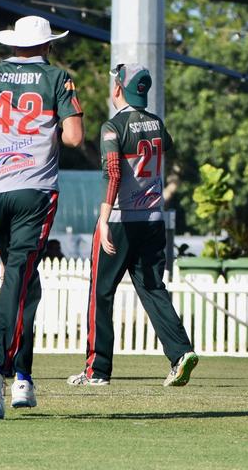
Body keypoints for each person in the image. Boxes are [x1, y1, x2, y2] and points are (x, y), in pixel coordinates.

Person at [0, 15, 84, 420]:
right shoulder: (58, 79)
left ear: (13, 46)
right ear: (47, 46)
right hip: (35, 188)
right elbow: (74, 137)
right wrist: (47, 138)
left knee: (26, 280)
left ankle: (23, 377)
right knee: (19, 274)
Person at [67, 63, 198, 388]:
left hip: (121, 220)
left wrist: (104, 217)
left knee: (101, 292)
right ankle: (181, 353)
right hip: (153, 220)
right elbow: (164, 143)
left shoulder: (114, 127)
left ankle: (97, 371)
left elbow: (113, 173)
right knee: (154, 289)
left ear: (119, 89)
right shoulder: (156, 122)